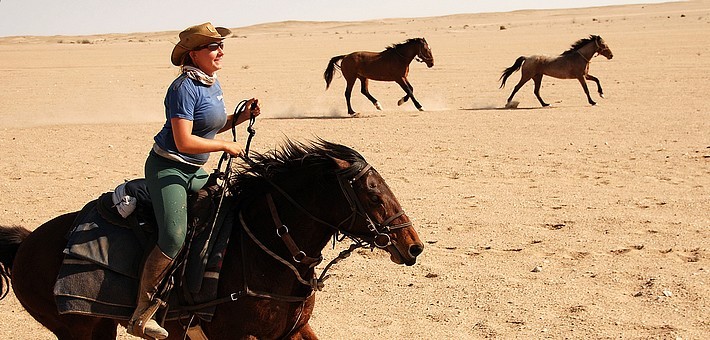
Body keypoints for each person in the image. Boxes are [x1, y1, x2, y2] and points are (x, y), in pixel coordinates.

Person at [127, 22, 260, 339]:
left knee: (225, 214)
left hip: (194, 171)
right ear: (193, 53)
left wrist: (239, 119)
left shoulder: (211, 84)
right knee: (173, 235)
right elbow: (184, 140)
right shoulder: (182, 88)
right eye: (213, 46)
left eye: (221, 45)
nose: (221, 51)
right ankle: (142, 314)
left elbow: (209, 128)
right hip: (169, 169)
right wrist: (226, 146)